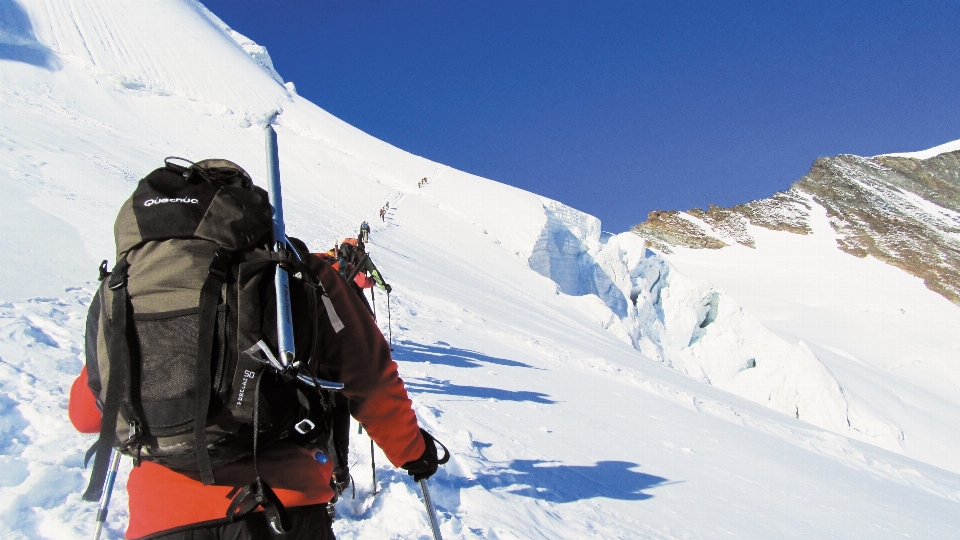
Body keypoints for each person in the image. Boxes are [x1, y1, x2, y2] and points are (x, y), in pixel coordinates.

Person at [70, 247, 443, 539]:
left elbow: (87, 415)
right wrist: (412, 452)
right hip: (283, 506)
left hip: (160, 517)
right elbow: (369, 375)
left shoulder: (137, 288)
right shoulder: (291, 269)